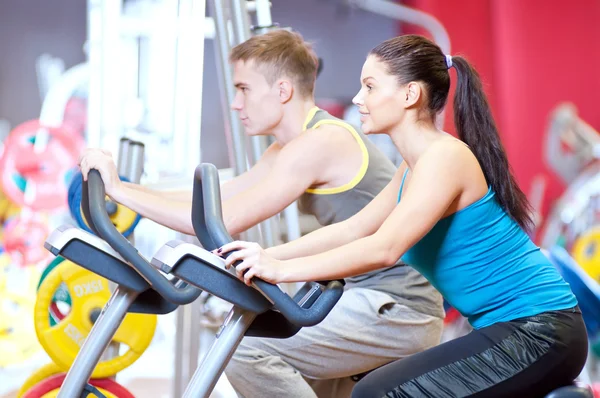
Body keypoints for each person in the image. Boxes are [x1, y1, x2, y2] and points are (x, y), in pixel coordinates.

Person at [216, 34, 588, 397]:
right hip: (516, 329)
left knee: (375, 392)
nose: (359, 99)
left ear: (410, 94)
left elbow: (384, 248)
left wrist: (281, 271)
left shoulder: (445, 159)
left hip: (539, 331)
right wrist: (261, 257)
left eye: (371, 87)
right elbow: (354, 229)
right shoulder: (412, 167)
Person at [78, 30, 444, 398]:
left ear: (282, 90)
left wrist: (120, 191)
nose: (236, 104)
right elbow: (209, 200)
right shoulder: (286, 149)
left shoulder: (321, 142)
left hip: (398, 309)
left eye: (244, 89)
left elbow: (218, 219)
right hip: (357, 297)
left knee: (247, 351)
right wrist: (122, 189)